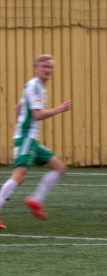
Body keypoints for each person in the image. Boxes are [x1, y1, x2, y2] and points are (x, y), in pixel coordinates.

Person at [0, 54, 73, 230]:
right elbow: (37, 115)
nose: (48, 70)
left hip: (29, 138)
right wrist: (59, 109)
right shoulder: (34, 86)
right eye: (44, 66)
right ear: (36, 69)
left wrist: (21, 123)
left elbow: (19, 107)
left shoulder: (36, 87)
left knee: (59, 168)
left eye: (50, 67)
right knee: (19, 175)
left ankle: (36, 200)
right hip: (26, 137)